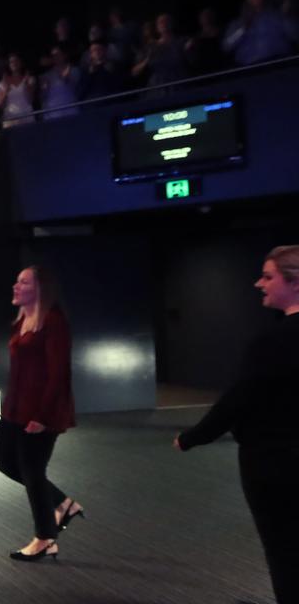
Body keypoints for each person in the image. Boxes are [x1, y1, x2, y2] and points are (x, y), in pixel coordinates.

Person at [176, 246, 299, 602]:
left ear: (294, 282)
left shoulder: (274, 341)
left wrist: (192, 437)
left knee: (284, 550)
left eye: (268, 276)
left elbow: (240, 398)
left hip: (276, 461)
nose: (259, 283)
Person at [0, 266, 82, 563]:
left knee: (32, 472)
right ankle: (63, 504)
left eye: (23, 282)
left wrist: (43, 416)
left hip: (40, 413)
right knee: (4, 461)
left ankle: (45, 537)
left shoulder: (53, 322)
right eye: (16, 280)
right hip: (15, 409)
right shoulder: (21, 321)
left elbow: (58, 375)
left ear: (40, 289)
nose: (15, 286)